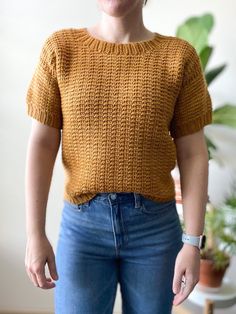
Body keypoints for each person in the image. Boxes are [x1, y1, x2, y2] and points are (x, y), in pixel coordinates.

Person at [24, 0, 213, 313]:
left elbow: (193, 154)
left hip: (155, 231)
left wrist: (192, 243)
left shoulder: (179, 57)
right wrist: (35, 234)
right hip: (82, 228)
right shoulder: (61, 49)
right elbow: (42, 143)